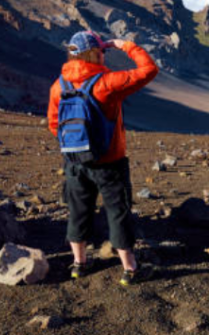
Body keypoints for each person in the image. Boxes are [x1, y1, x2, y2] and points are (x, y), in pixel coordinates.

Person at [47, 30, 158, 285]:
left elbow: (55, 124)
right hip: (110, 163)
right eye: (103, 51)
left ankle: (79, 264)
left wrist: (78, 144)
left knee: (78, 211)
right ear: (97, 53)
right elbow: (148, 69)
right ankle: (130, 269)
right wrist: (125, 45)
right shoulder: (107, 83)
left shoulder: (59, 85)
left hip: (75, 161)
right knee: (118, 213)